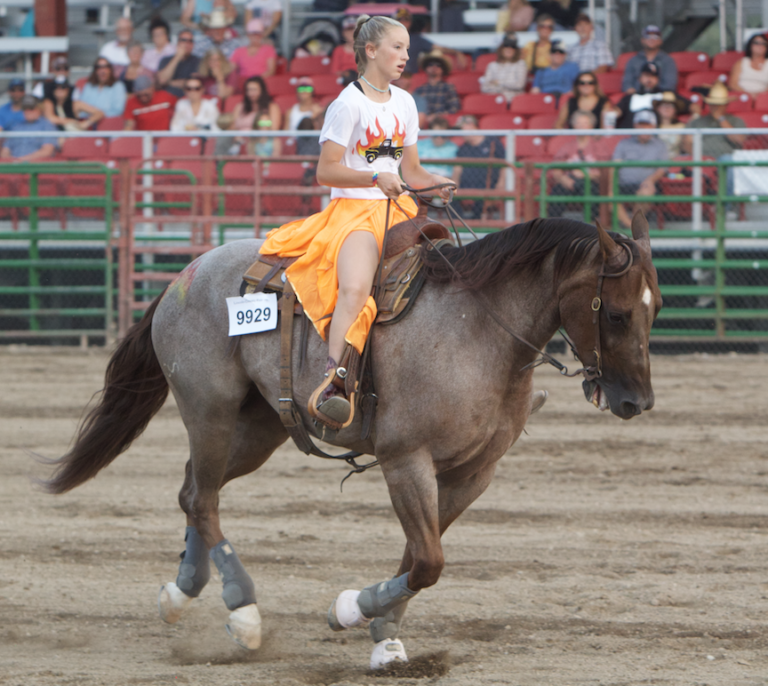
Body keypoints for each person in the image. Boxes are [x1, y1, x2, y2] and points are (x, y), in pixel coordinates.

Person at [258, 14, 455, 428]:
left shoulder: (406, 102)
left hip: (401, 210)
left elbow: (411, 170)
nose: (406, 55)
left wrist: (434, 182)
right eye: (397, 47)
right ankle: (334, 381)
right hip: (355, 213)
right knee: (354, 289)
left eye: (406, 48)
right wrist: (375, 178)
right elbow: (326, 171)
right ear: (371, 50)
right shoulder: (347, 104)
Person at [683, 83, 746, 202]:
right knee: (680, 161)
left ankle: (726, 207)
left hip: (724, 160)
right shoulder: (697, 122)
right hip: (700, 159)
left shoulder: (736, 121)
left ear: (726, 105)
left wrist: (721, 119)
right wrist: (697, 157)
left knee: (728, 162)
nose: (715, 107)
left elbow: (739, 140)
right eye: (713, 104)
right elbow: (686, 144)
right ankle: (689, 208)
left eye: (719, 104)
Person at [612, 109, 669, 228]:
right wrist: (611, 185)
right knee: (609, 195)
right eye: (641, 125)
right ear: (635, 126)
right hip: (623, 185)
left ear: (653, 127)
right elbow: (614, 165)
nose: (643, 128)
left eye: (647, 125)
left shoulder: (660, 145)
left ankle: (634, 225)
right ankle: (631, 226)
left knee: (646, 192)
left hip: (646, 184)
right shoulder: (624, 143)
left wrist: (650, 180)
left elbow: (662, 168)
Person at [549, 109, 605, 219]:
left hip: (590, 183)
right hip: (569, 181)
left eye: (585, 123)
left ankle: (591, 223)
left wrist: (585, 175)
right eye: (578, 123)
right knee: (557, 191)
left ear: (591, 126)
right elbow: (556, 169)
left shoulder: (599, 147)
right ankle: (553, 223)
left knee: (589, 190)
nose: (581, 127)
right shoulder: (567, 147)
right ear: (574, 126)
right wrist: (563, 179)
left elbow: (605, 173)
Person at [451, 114, 506, 220]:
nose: (460, 133)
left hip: (487, 186)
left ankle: (475, 223)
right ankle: (459, 225)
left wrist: (501, 183)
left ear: (471, 125)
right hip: (465, 187)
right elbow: (457, 171)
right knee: (449, 197)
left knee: (481, 203)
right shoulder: (463, 148)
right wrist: (453, 186)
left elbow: (504, 165)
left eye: (461, 129)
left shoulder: (493, 143)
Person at [396, 8, 468, 74]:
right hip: (392, 76)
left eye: (406, 19)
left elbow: (439, 48)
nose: (403, 22)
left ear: (410, 22)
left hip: (410, 77)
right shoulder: (389, 38)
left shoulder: (417, 39)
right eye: (400, 19)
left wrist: (457, 52)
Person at [621, 25, 678, 94]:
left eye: (655, 37)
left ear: (660, 41)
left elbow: (670, 85)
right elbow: (627, 84)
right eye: (648, 36)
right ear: (642, 40)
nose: (651, 39)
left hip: (660, 96)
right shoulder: (633, 60)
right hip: (637, 96)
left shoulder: (668, 60)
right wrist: (634, 93)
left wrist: (653, 91)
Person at [1, 95, 58, 161]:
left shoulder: (47, 126)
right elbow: (5, 150)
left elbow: (47, 151)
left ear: (40, 109)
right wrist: (11, 161)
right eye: (25, 108)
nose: (27, 111)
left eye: (31, 108)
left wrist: (21, 160)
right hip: (14, 165)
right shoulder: (17, 126)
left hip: (35, 165)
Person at [414, 50, 461, 123]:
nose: (434, 67)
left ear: (443, 69)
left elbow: (454, 108)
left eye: (438, 65)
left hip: (442, 123)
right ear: (426, 68)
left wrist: (437, 116)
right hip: (421, 123)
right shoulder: (420, 90)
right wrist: (423, 118)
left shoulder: (448, 88)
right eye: (430, 64)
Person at [480, 35, 528, 103]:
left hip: (513, 101)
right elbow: (484, 87)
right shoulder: (492, 65)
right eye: (506, 46)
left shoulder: (520, 64)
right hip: (494, 100)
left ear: (516, 50)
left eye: (512, 47)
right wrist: (505, 87)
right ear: (501, 48)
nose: (509, 49)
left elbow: (519, 85)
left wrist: (498, 82)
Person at [616, 62, 664, 128]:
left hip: (658, 133)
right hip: (630, 133)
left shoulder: (665, 97)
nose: (649, 79)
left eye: (653, 76)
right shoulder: (629, 98)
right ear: (640, 78)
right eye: (646, 75)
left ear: (658, 79)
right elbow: (616, 112)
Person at [157, 29, 202, 99]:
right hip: (167, 98)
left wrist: (169, 83)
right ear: (178, 43)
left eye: (190, 41)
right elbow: (162, 80)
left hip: (190, 99)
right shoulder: (165, 60)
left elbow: (193, 84)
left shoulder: (198, 61)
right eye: (183, 40)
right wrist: (178, 57)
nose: (187, 43)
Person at [653, 91, 685, 157]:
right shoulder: (652, 127)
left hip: (676, 161)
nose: (667, 108)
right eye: (664, 105)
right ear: (658, 108)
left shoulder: (682, 127)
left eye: (670, 106)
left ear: (675, 110)